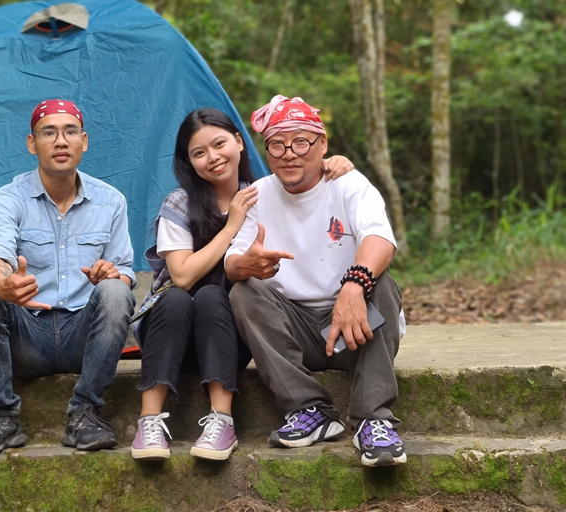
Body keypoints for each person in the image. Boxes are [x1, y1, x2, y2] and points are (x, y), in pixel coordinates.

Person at [131, 107, 353, 461]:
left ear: (239, 142)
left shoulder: (266, 195)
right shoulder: (180, 202)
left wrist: (336, 164)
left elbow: (310, 187)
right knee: (178, 297)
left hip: (232, 336)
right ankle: (149, 422)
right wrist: (232, 225)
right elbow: (183, 275)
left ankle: (222, 421)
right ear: (188, 162)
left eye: (219, 144)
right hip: (172, 336)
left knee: (214, 297)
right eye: (198, 153)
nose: (212, 158)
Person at [225, 95, 407, 467]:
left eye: (301, 142)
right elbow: (231, 264)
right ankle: (311, 411)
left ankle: (373, 419)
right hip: (299, 332)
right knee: (243, 291)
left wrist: (354, 285)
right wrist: (246, 264)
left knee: (381, 279)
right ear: (267, 151)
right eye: (277, 144)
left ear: (322, 145)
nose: (289, 153)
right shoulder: (259, 195)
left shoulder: (348, 183)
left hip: (357, 331)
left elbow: (381, 239)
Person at [0, 99, 136, 458]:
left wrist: (113, 274)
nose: (60, 141)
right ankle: (2, 417)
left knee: (117, 292)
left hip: (84, 339)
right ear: (31, 143)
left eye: (70, 132)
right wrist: (2, 281)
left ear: (84, 141)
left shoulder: (111, 201)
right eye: (49, 132)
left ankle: (85, 413)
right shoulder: (9, 198)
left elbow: (127, 271)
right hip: (29, 338)